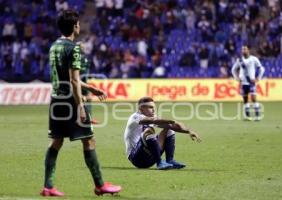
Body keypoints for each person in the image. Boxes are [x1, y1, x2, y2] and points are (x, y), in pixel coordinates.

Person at [40, 10, 121, 197]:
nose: (79, 26)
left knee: (56, 141)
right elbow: (74, 81)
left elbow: (68, 78)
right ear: (75, 26)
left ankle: (48, 185)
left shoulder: (54, 46)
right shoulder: (74, 48)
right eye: (78, 24)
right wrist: (80, 108)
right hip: (70, 101)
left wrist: (91, 89)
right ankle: (100, 184)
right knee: (89, 139)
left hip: (56, 100)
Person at [124, 97, 201, 170]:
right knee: (149, 130)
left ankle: (170, 160)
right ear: (141, 109)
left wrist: (188, 131)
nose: (153, 110)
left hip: (150, 159)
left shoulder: (152, 118)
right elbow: (153, 121)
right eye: (150, 107)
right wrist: (171, 121)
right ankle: (159, 162)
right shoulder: (135, 117)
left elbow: (171, 125)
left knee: (169, 130)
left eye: (154, 107)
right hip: (136, 158)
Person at [231, 45, 265, 121]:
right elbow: (233, 70)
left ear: (248, 50)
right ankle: (248, 116)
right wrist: (237, 78)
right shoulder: (239, 60)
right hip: (243, 83)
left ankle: (257, 116)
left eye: (245, 49)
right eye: (242, 49)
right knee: (245, 100)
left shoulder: (253, 59)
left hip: (251, 82)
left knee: (254, 99)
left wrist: (258, 78)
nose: (243, 51)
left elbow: (262, 69)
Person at [78, 42, 99, 124]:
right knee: (79, 99)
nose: (83, 48)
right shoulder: (75, 59)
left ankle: (87, 118)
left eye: (83, 47)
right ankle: (82, 118)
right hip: (78, 82)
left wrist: (90, 77)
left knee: (88, 99)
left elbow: (87, 71)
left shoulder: (86, 58)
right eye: (81, 47)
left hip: (84, 82)